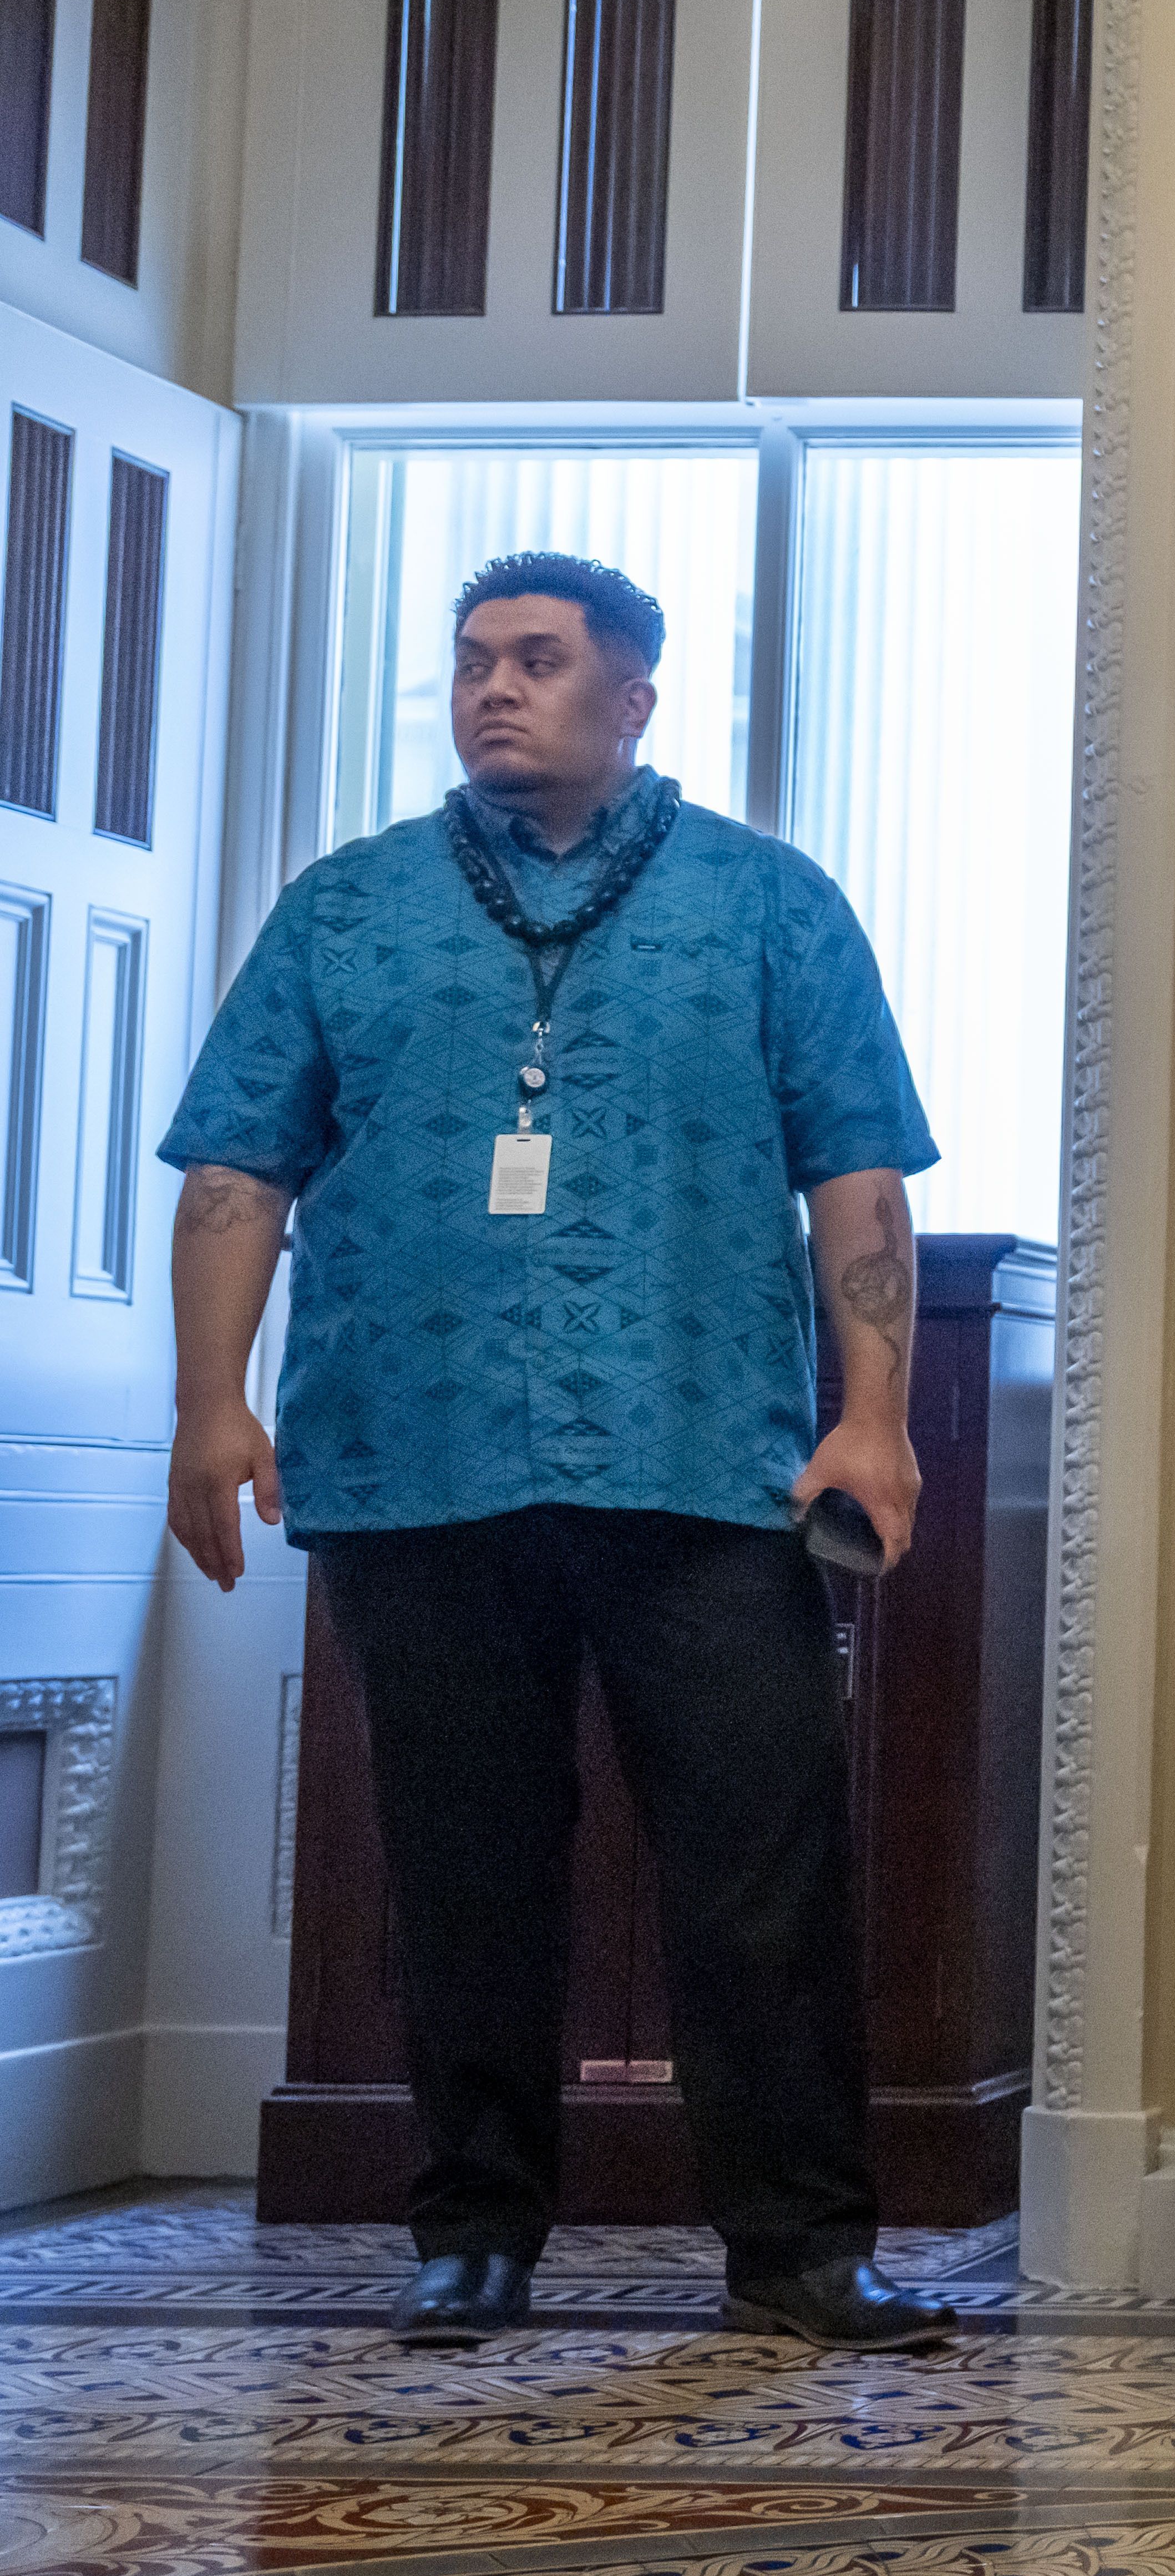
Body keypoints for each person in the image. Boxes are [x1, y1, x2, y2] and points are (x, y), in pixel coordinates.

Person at [160, 550, 953, 2357]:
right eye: (470, 662)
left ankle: (800, 2246)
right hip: (409, 1464)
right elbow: (235, 1170)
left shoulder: (770, 903)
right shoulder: (342, 911)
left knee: (762, 1864)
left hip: (713, 1465)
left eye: (536, 659)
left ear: (634, 695)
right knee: (460, 1866)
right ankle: (476, 2228)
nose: (493, 688)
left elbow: (858, 1173)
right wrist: (213, 1401)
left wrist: (876, 1412)